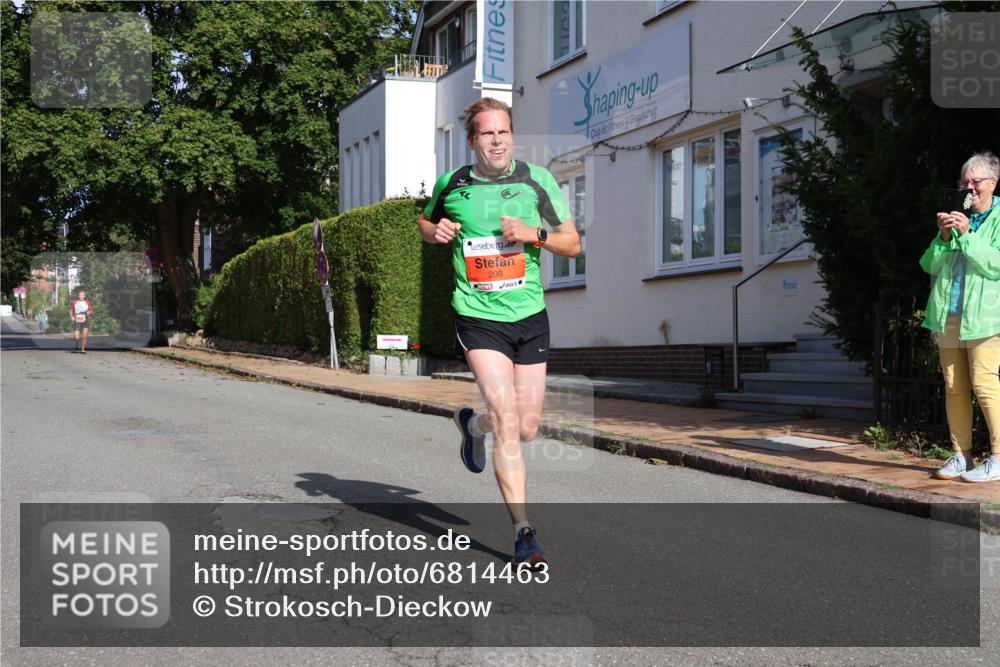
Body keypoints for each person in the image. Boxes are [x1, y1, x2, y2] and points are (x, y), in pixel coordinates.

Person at [418, 98, 581, 566]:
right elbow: (426, 222)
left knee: (526, 427)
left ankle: (472, 425)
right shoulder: (453, 184)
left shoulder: (537, 180)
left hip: (529, 317)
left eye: (504, 132)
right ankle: (524, 531)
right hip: (477, 315)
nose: (497, 140)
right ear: (473, 141)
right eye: (488, 134)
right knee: (507, 416)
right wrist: (437, 233)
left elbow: (573, 242)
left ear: (512, 135)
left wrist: (535, 235)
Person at [921, 151, 1000, 483]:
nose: (969, 187)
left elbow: (995, 264)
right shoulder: (956, 219)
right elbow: (928, 265)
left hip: (985, 318)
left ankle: (997, 459)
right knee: (954, 387)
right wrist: (942, 236)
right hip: (949, 316)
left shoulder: (996, 219)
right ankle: (961, 456)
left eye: (975, 181)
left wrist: (967, 235)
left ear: (992, 184)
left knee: (984, 385)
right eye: (964, 182)